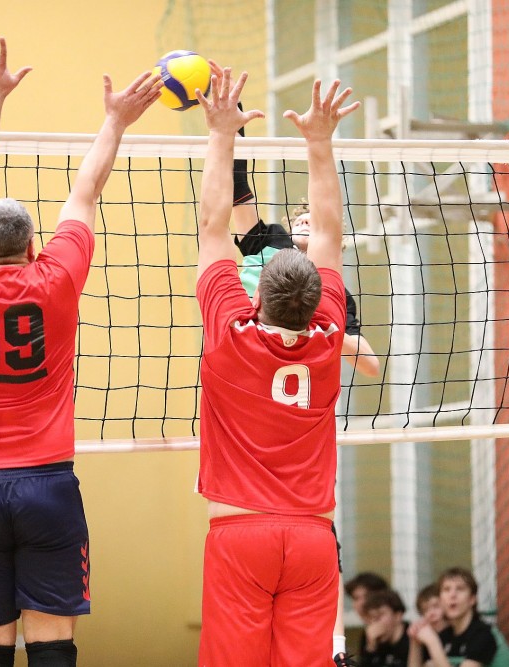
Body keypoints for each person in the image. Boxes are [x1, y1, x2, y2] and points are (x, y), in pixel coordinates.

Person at [0, 34, 161, 667]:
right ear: (34, 247)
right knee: (53, 645)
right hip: (48, 484)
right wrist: (115, 120)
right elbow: (84, 193)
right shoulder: (55, 279)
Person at [192, 63, 360, 666]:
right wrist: (321, 143)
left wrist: (221, 134)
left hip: (242, 534)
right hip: (314, 537)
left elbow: (212, 226)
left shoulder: (231, 335)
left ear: (256, 293)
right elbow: (331, 236)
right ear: (318, 301)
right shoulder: (330, 336)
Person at [230, 170, 380, 379]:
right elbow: (238, 190)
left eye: (312, 222)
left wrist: (324, 327)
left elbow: (371, 366)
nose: (303, 222)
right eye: (299, 221)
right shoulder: (270, 241)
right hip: (244, 348)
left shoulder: (335, 292)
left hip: (284, 371)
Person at [412, 567, 509, 667]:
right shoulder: (446, 635)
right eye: (446, 590)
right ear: (441, 600)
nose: (452, 595)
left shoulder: (483, 634)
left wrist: (432, 642)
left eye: (460, 589)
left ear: (472, 599)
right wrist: (415, 642)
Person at [358, 590, 410, 667]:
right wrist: (371, 648)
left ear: (398, 615)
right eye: (371, 617)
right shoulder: (369, 639)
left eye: (380, 615)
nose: (375, 622)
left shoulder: (412, 637)